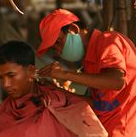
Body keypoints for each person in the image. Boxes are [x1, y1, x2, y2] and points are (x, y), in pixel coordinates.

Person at [36, 9, 136, 137]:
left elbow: (116, 81)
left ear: (73, 29)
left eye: (59, 42)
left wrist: (65, 74)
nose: (59, 51)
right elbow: (98, 105)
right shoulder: (89, 61)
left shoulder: (108, 41)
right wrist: (56, 91)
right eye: (55, 49)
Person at [0, 40, 108, 137]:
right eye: (1, 77)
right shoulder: (2, 112)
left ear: (30, 71)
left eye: (11, 76)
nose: (5, 84)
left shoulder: (57, 101)